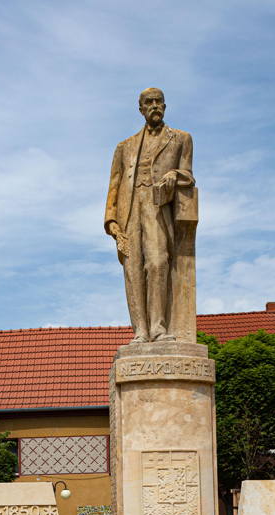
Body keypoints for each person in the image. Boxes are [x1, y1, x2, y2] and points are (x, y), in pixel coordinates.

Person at [104, 88, 195, 343]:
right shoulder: (125, 146)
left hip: (158, 208)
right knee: (132, 270)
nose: (154, 106)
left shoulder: (181, 138)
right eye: (149, 103)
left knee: (157, 263)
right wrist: (111, 219)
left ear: (165, 106)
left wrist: (175, 175)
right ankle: (140, 331)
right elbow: (114, 183)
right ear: (141, 109)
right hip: (129, 211)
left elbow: (188, 173)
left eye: (158, 102)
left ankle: (158, 327)